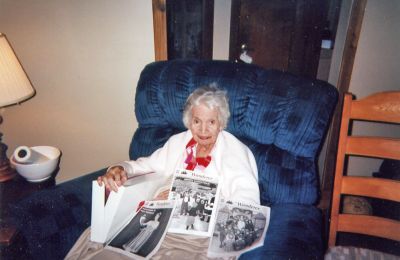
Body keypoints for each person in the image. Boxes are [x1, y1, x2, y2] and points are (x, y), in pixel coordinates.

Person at [66, 85, 260, 260]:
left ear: (222, 123)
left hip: (197, 234)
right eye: (197, 121)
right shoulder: (178, 142)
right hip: (156, 222)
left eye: (211, 122)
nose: (203, 129)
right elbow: (146, 165)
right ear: (188, 121)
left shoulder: (234, 151)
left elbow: (247, 200)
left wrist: (206, 204)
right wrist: (121, 169)